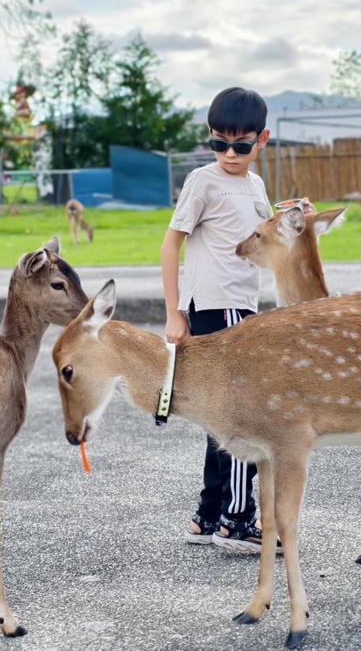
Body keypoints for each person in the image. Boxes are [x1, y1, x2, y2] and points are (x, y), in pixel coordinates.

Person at [161, 86, 276, 554]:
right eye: (219, 143)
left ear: (261, 141)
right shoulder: (202, 181)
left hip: (243, 306)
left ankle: (208, 516)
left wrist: (298, 215)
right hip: (218, 306)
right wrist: (174, 311)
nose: (229, 154)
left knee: (219, 416)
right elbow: (171, 244)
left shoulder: (255, 187)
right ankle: (237, 519)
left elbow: (268, 237)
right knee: (239, 417)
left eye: (241, 145)